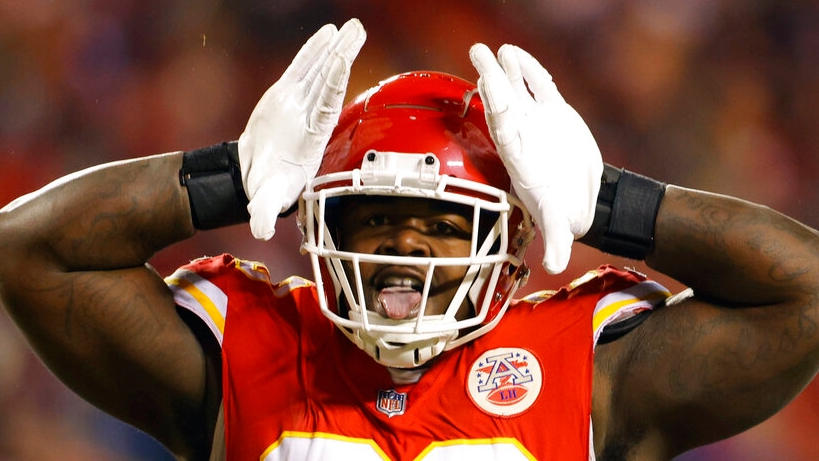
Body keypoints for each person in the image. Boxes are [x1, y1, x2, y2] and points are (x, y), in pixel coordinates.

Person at [1, 17, 818, 461]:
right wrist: (226, 177)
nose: (405, 246)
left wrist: (606, 203)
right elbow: (24, 250)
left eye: (441, 222)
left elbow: (805, 293)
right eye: (378, 217)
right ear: (316, 220)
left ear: (510, 237)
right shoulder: (247, 346)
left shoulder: (590, 367)